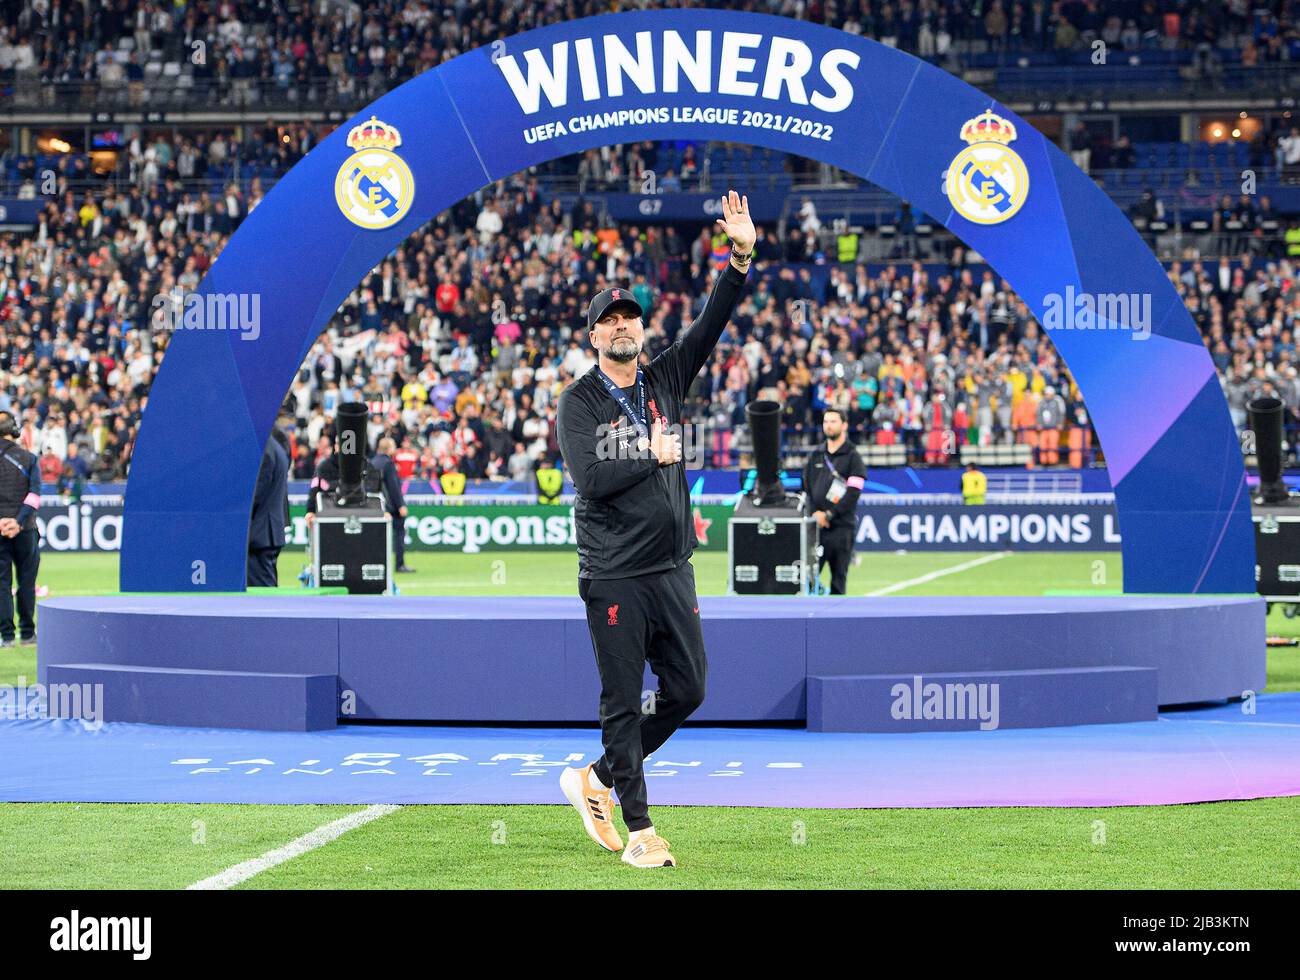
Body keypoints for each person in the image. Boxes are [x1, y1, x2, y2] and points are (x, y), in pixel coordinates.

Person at [555, 189, 754, 869]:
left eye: (630, 318)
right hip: (614, 572)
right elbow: (592, 477)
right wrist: (652, 451)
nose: (622, 327)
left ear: (641, 330)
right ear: (593, 336)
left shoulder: (664, 376)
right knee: (618, 697)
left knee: (690, 689)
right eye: (609, 321)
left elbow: (711, 324)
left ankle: (598, 780)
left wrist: (740, 256)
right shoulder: (577, 403)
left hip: (673, 567)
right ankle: (640, 831)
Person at [801, 407, 866, 595]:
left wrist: (830, 514)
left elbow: (853, 493)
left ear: (844, 425)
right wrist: (815, 513)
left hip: (841, 528)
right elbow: (807, 489)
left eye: (833, 421)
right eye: (826, 422)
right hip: (816, 528)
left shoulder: (854, 457)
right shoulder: (815, 455)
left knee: (838, 582)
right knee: (809, 582)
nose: (828, 426)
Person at [0, 411, 41, 648]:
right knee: (26, 581)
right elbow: (35, 496)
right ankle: (27, 633)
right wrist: (18, 521)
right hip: (25, 529)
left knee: (2, 583)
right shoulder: (28, 458)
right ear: (13, 430)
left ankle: (6, 636)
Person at [247, 424, 290, 587]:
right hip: (267, 531)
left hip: (261, 532)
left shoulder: (264, 450)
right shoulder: (274, 446)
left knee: (262, 591)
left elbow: (256, 493)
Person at [371, 437, 412, 572]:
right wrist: (400, 505)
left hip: (375, 505)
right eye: (394, 445)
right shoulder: (388, 464)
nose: (395, 448)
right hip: (390, 506)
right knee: (399, 532)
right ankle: (399, 564)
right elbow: (393, 486)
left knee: (377, 536)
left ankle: (377, 564)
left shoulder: (373, 462)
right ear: (388, 448)